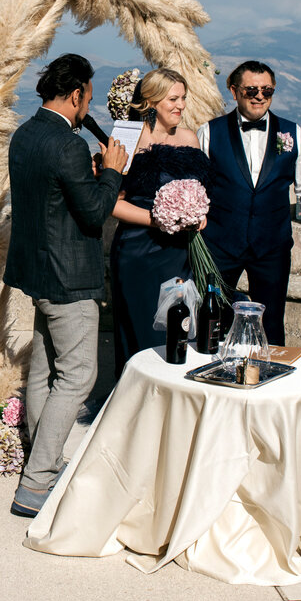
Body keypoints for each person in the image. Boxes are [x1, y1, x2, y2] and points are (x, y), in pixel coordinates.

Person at [3, 53, 128, 518]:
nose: (87, 107)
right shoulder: (69, 145)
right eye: (88, 98)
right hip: (69, 276)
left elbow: (54, 199)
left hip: (36, 272)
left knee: (44, 371)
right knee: (78, 376)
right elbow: (95, 213)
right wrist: (112, 171)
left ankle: (44, 461)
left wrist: (90, 178)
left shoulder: (26, 134)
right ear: (76, 94)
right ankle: (36, 486)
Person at [197, 60, 301, 345]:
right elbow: (197, 186)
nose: (259, 96)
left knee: (271, 322)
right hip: (219, 245)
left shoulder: (291, 133)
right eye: (251, 90)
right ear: (234, 91)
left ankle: (272, 379)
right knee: (212, 319)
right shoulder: (209, 132)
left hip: (272, 246)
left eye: (267, 91)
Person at [109, 69, 212, 376]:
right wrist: (157, 220)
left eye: (183, 98)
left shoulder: (190, 138)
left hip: (180, 255)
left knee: (178, 334)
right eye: (173, 99)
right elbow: (113, 203)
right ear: (151, 101)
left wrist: (199, 215)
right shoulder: (128, 136)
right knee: (143, 335)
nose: (180, 105)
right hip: (139, 253)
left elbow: (202, 190)